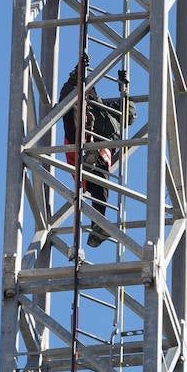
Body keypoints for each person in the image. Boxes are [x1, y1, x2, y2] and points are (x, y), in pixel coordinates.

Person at [59, 63, 135, 248]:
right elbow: (66, 99)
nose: (89, 90)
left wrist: (124, 90)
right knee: (71, 109)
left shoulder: (106, 109)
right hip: (80, 144)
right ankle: (98, 225)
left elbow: (129, 114)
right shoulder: (82, 104)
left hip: (100, 153)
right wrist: (74, 79)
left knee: (100, 185)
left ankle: (98, 226)